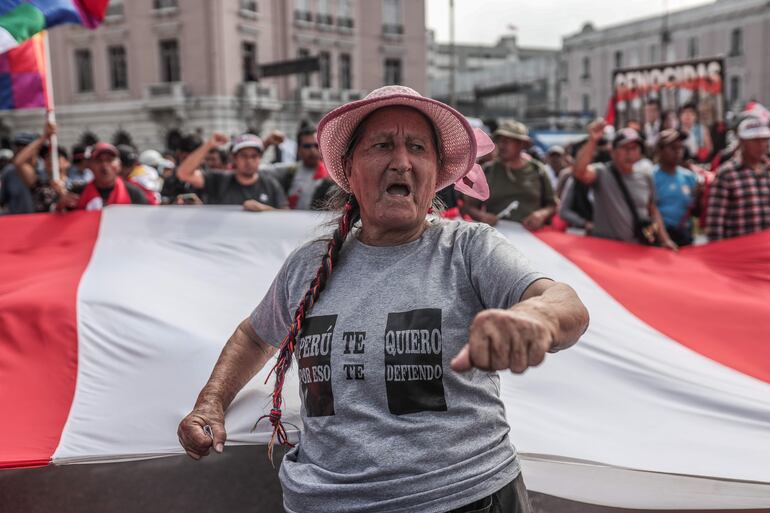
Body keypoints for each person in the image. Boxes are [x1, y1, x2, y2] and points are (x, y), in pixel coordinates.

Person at [178, 85, 589, 513]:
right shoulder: (310, 264)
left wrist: (536, 318)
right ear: (349, 171)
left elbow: (565, 304)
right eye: (382, 145)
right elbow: (255, 336)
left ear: (436, 175)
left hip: (468, 498)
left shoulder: (469, 249)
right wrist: (211, 404)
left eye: (417, 147)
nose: (401, 161)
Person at [572, 120, 677, 250]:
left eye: (634, 148)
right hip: (606, 252)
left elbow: (652, 210)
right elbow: (579, 172)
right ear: (613, 152)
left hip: (638, 250)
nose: (630, 153)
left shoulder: (645, 177)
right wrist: (592, 141)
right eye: (625, 148)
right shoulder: (602, 173)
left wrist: (665, 240)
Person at [463, 120, 557, 230]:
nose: (502, 145)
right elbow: (469, 207)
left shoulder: (538, 170)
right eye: (500, 140)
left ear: (521, 144)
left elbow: (552, 205)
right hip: (496, 236)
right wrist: (481, 216)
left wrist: (541, 215)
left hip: (532, 239)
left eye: (507, 141)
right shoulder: (487, 170)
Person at [176, 132, 287, 211]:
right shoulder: (219, 180)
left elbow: (287, 216)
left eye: (254, 156)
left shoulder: (271, 184)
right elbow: (184, 173)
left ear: (260, 158)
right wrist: (208, 145)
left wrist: (265, 210)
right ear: (234, 158)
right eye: (244, 156)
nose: (249, 161)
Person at [706, 116, 770, 241]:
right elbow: (715, 224)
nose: (762, 145)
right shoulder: (727, 174)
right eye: (755, 141)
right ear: (742, 142)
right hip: (740, 251)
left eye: (765, 140)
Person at [262, 124, 336, 210]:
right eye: (307, 146)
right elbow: (254, 171)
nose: (312, 150)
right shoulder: (290, 171)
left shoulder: (334, 175)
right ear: (298, 149)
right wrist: (265, 144)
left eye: (316, 146)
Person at [57, 142, 150, 210]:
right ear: (89, 165)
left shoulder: (134, 194)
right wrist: (60, 207)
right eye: (99, 161)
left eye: (110, 160)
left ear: (119, 165)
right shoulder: (76, 194)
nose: (104, 166)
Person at [9, 121, 70, 213]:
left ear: (67, 162)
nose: (50, 159)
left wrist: (62, 193)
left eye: (56, 156)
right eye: (46, 157)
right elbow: (19, 162)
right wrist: (44, 137)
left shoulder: (77, 185)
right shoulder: (39, 186)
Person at [653, 128, 699, 246]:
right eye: (673, 148)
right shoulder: (651, 177)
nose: (678, 151)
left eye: (681, 147)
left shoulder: (689, 177)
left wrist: (700, 196)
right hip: (661, 237)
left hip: (685, 235)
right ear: (660, 150)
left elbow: (696, 211)